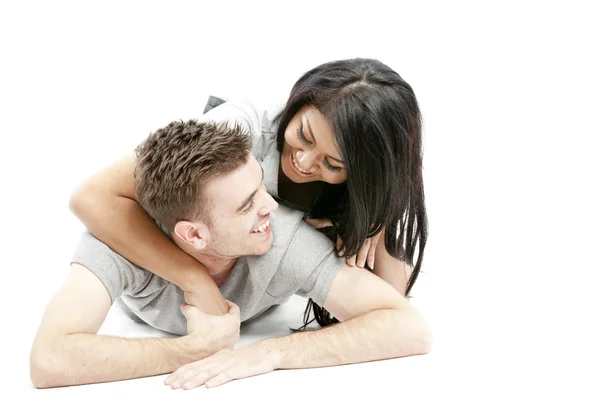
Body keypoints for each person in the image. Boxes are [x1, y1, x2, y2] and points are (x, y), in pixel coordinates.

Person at [30, 120, 431, 389]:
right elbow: (49, 358)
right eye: (246, 205)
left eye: (261, 187)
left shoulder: (283, 238)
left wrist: (270, 353)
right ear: (192, 235)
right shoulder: (116, 247)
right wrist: (188, 351)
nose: (271, 206)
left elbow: (408, 327)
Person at [69, 57, 428, 326]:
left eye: (332, 165)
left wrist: (379, 218)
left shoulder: (361, 191)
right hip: (169, 286)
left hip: (255, 302)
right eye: (303, 134)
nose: (303, 162)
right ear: (299, 101)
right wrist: (192, 278)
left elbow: (391, 308)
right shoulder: (238, 127)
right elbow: (91, 196)